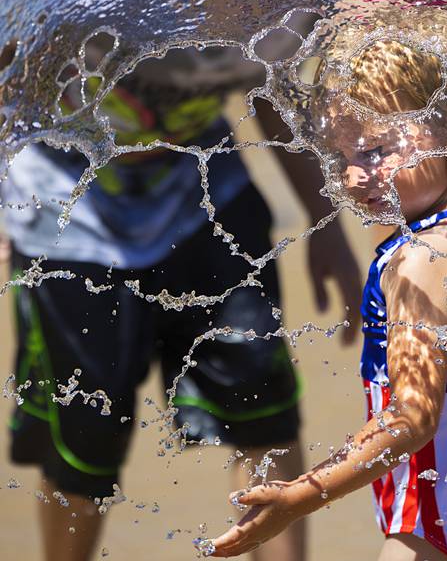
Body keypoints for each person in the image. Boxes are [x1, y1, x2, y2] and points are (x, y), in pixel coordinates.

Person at [209, 12, 447, 560]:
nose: (352, 177)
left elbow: (413, 418)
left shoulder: (420, 262)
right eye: (339, 158)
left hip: (444, 532)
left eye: (374, 152)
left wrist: (304, 494)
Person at [1, 36, 361, 561]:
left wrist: (324, 221)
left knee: (264, 410)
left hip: (208, 198)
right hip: (64, 212)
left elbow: (270, 81)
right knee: (83, 440)